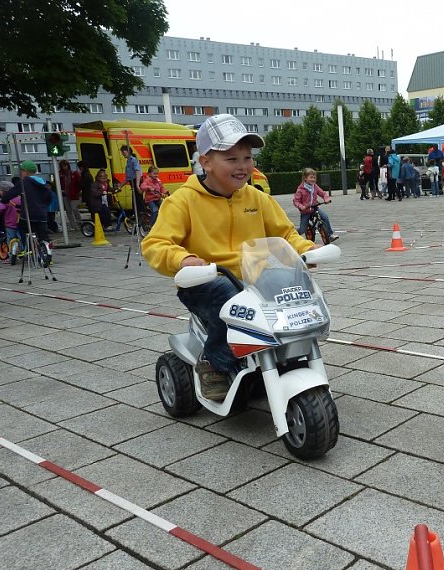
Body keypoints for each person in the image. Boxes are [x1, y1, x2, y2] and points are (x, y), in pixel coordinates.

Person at [142, 114, 316, 401]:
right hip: (206, 281)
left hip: (253, 278)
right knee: (230, 300)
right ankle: (214, 363)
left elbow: (285, 234)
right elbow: (156, 243)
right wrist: (183, 260)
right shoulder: (183, 201)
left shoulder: (256, 198)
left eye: (247, 157)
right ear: (205, 161)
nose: (243, 166)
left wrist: (305, 250)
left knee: (292, 286)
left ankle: (290, 355)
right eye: (231, 159)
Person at [0, 161, 53, 248]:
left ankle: (28, 249)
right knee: (43, 235)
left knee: (23, 229)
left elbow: (11, 194)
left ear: (25, 171)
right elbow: (49, 198)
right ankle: (47, 253)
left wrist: (3, 200)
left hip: (28, 215)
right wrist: (43, 206)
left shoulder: (24, 182)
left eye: (21, 170)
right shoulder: (43, 183)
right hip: (42, 214)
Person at [292, 168, 338, 241]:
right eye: (311, 177)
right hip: (305, 211)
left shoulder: (315, 186)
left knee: (325, 217)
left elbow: (323, 193)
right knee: (302, 230)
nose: (313, 179)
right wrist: (301, 206)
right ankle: (292, 234)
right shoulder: (300, 189)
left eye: (314, 177)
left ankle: (330, 235)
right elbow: (296, 201)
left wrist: (326, 199)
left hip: (314, 208)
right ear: (305, 178)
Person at [0, 180, 20, 263]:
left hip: (10, 223)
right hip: (20, 221)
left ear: (3, 191)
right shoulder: (19, 198)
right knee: (21, 238)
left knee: (11, 239)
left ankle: (12, 256)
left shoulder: (5, 199)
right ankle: (22, 252)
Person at [120, 144, 146, 220]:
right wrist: (120, 186)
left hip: (136, 181)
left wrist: (137, 185)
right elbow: (128, 177)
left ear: (127, 151)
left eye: (123, 152)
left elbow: (137, 172)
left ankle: (141, 216)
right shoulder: (128, 161)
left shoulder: (133, 160)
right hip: (133, 182)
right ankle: (137, 215)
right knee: (135, 200)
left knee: (138, 201)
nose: (122, 154)